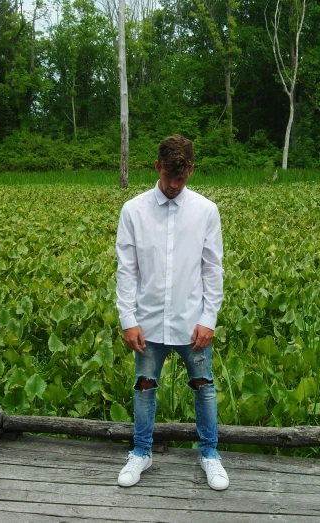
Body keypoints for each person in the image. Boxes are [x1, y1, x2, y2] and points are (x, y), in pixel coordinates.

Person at [114, 134, 229, 490]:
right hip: (146, 322)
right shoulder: (133, 210)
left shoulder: (206, 211)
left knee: (204, 386)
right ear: (157, 167)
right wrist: (128, 319)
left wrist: (209, 319)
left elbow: (213, 269)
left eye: (181, 178)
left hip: (192, 321)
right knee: (144, 387)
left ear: (191, 170)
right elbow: (126, 269)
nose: (174, 186)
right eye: (168, 178)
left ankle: (210, 454)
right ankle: (141, 452)